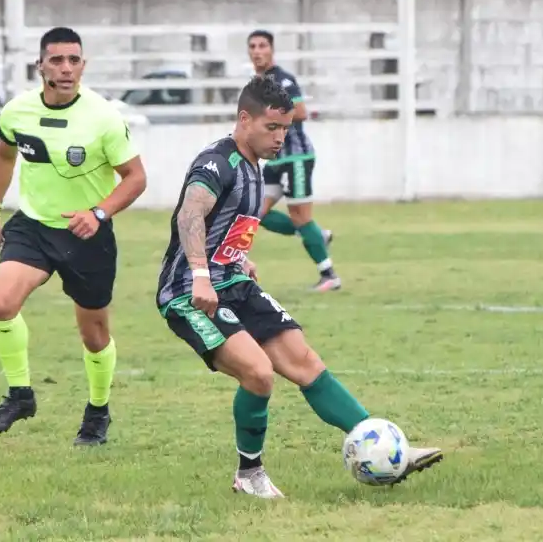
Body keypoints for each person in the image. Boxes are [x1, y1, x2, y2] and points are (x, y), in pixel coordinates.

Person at [155, 74, 442, 498]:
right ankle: (249, 475)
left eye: (285, 128)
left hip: (233, 281)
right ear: (244, 119)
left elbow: (225, 225)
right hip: (189, 292)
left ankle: (381, 445)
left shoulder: (255, 166)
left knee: (304, 361)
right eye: (271, 127)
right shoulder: (216, 162)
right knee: (258, 373)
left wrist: (238, 257)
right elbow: (190, 215)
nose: (280, 137)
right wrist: (200, 273)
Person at [0, 27, 147, 446]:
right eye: (56, 60)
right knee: (2, 304)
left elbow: (136, 177)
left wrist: (98, 213)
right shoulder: (17, 112)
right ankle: (20, 395)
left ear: (83, 65)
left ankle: (97, 412)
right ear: (40, 66)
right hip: (34, 226)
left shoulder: (103, 117)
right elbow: (3, 154)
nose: (66, 68)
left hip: (87, 235)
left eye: (74, 60)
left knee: (94, 336)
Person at [247, 29, 340, 292]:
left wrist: (265, 116)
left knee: (300, 217)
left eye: (262, 46)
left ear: (271, 50)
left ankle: (329, 275)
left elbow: (299, 111)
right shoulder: (257, 83)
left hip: (295, 156)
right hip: (275, 159)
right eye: (252, 46)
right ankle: (316, 236)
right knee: (254, 211)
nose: (257, 51)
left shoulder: (282, 79)